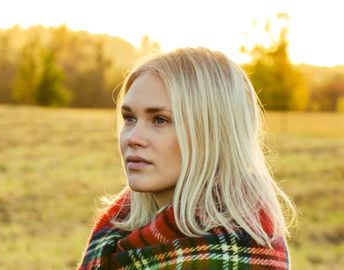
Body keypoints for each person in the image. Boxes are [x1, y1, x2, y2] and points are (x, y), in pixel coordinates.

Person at [77, 47, 295, 269]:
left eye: (159, 120)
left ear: (213, 132)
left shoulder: (240, 251)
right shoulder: (115, 231)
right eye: (130, 118)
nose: (133, 138)